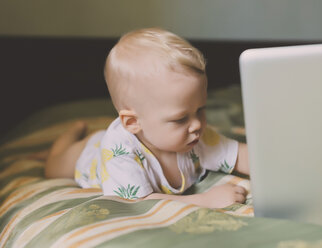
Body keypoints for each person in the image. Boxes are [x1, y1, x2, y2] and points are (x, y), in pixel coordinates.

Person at [44, 27, 249, 208]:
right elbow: (138, 203)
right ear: (133, 122)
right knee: (53, 168)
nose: (196, 124)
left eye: (200, 109)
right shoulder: (119, 152)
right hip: (90, 155)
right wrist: (205, 201)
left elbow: (239, 154)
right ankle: (70, 136)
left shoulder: (195, 135)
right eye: (180, 119)